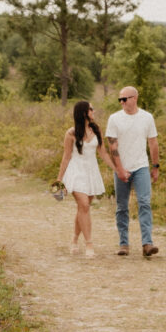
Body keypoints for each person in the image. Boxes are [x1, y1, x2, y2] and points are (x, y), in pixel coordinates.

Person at [106, 85, 160, 257]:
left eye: (125, 99)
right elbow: (112, 146)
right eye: (120, 99)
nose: (122, 102)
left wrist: (155, 166)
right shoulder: (114, 119)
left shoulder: (147, 117)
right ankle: (124, 244)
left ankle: (147, 243)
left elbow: (153, 143)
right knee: (122, 206)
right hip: (122, 166)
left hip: (141, 166)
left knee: (144, 202)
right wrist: (120, 169)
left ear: (134, 98)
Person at [56, 100, 115, 258]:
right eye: (91, 109)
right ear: (84, 113)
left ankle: (74, 239)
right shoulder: (71, 133)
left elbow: (103, 153)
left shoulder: (96, 129)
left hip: (91, 172)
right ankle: (89, 244)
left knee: (83, 208)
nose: (94, 111)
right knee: (84, 205)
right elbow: (66, 157)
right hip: (76, 171)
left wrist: (117, 169)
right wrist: (59, 180)